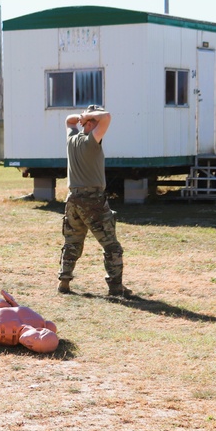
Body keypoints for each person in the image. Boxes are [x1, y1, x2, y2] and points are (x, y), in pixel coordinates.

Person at [57, 105, 131, 297]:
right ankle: (115, 288)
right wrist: (88, 116)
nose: (101, 126)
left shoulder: (72, 139)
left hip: (73, 199)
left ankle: (64, 282)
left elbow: (69, 120)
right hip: (92, 199)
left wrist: (82, 117)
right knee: (112, 246)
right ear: (90, 124)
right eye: (95, 123)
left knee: (72, 242)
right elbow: (106, 116)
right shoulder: (91, 141)